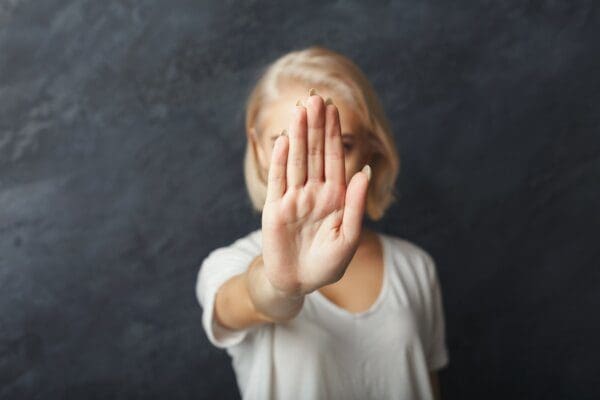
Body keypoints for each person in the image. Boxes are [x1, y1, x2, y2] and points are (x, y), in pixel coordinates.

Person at [196, 45, 449, 400]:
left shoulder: (415, 267)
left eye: (341, 145)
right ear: (257, 151)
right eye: (287, 143)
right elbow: (247, 302)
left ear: (371, 149)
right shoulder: (228, 264)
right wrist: (282, 283)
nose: (312, 165)